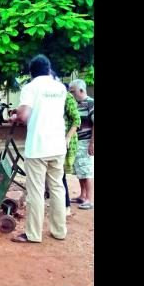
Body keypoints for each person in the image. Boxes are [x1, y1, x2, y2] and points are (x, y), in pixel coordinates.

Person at [10, 54, 68, 243]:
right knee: (57, 188)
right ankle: (59, 231)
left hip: (38, 146)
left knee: (36, 191)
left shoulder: (31, 87)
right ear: (48, 69)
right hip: (58, 145)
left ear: (31, 72)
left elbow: (25, 115)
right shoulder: (60, 88)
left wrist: (15, 117)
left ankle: (34, 234)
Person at [68, 79, 95, 210]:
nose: (71, 94)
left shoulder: (91, 103)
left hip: (86, 142)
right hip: (77, 142)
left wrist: (92, 143)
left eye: (72, 91)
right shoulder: (76, 104)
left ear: (81, 90)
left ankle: (90, 199)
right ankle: (83, 196)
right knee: (80, 170)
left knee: (87, 170)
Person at [63, 84, 81, 216]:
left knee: (59, 176)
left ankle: (66, 206)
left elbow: (77, 120)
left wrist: (67, 138)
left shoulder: (66, 96)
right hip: (54, 141)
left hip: (65, 142)